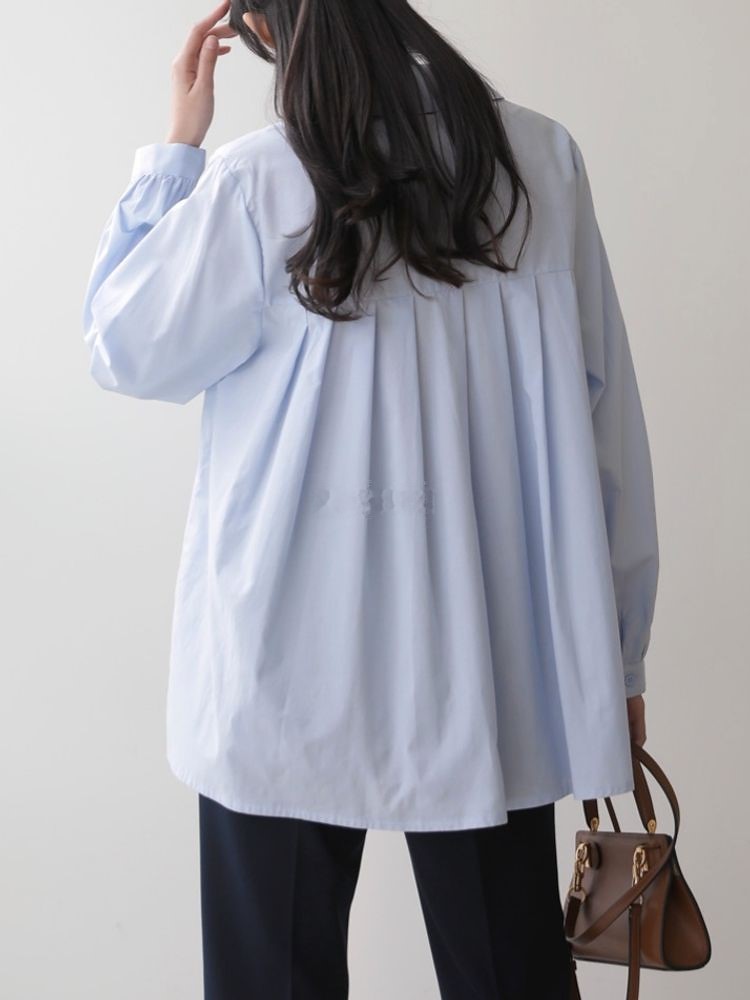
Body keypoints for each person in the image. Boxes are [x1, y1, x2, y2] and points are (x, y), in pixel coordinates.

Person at [81, 1, 658, 997]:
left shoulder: (261, 179)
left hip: (284, 666)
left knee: (272, 979)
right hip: (494, 661)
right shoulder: (540, 161)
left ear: (263, 29)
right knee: (509, 973)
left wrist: (175, 150)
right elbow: (609, 431)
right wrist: (621, 653)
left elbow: (125, 347)